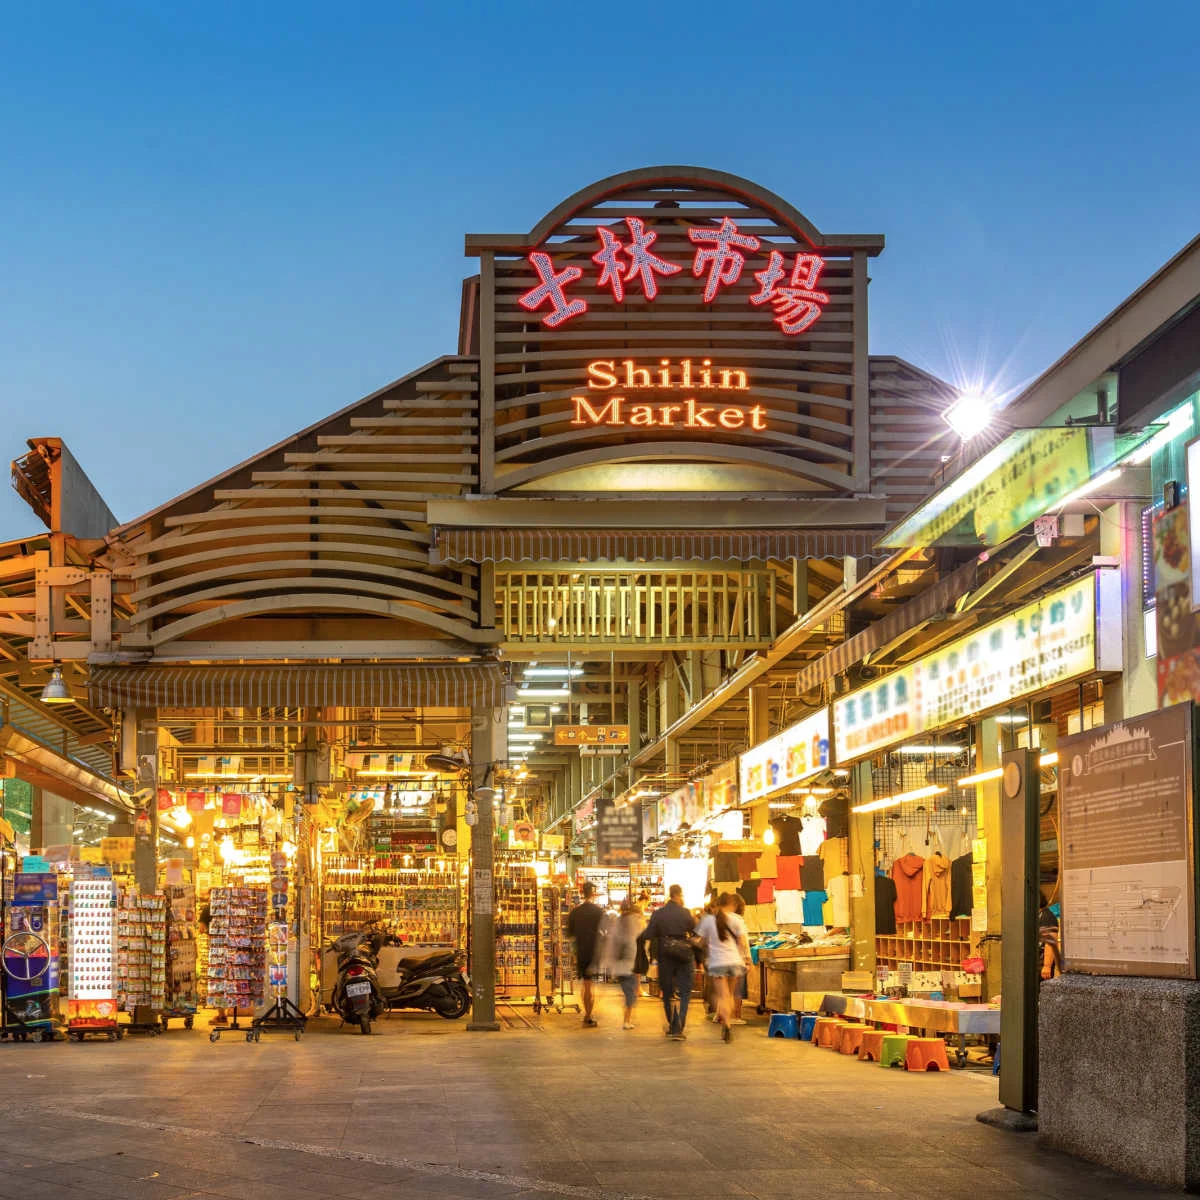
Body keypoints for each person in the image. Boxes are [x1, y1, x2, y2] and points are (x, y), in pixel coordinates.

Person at [641, 883, 697, 1040]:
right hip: (683, 953)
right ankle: (679, 1025)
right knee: (685, 991)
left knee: (667, 991)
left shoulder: (659, 914)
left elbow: (649, 933)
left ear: (669, 895)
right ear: (678, 895)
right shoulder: (686, 913)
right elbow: (694, 931)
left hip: (665, 954)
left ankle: (673, 1025)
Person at [697, 892, 750, 1041]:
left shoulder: (708, 921)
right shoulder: (737, 919)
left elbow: (701, 942)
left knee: (721, 995)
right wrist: (746, 959)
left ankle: (725, 1023)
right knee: (730, 995)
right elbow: (743, 942)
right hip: (735, 962)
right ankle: (728, 1022)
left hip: (717, 963)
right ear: (731, 904)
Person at [566, 881, 605, 1026]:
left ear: (582, 893)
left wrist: (574, 953)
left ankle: (587, 1014)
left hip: (581, 951)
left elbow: (570, 935)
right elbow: (605, 932)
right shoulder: (598, 911)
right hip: (594, 951)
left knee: (585, 984)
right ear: (593, 893)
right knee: (590, 984)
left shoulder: (575, 912)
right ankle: (588, 1016)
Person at [609, 897, 646, 1029]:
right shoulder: (634, 923)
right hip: (629, 963)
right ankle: (626, 1020)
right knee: (631, 994)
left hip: (620, 964)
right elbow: (643, 932)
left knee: (629, 992)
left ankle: (627, 1019)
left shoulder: (619, 922)